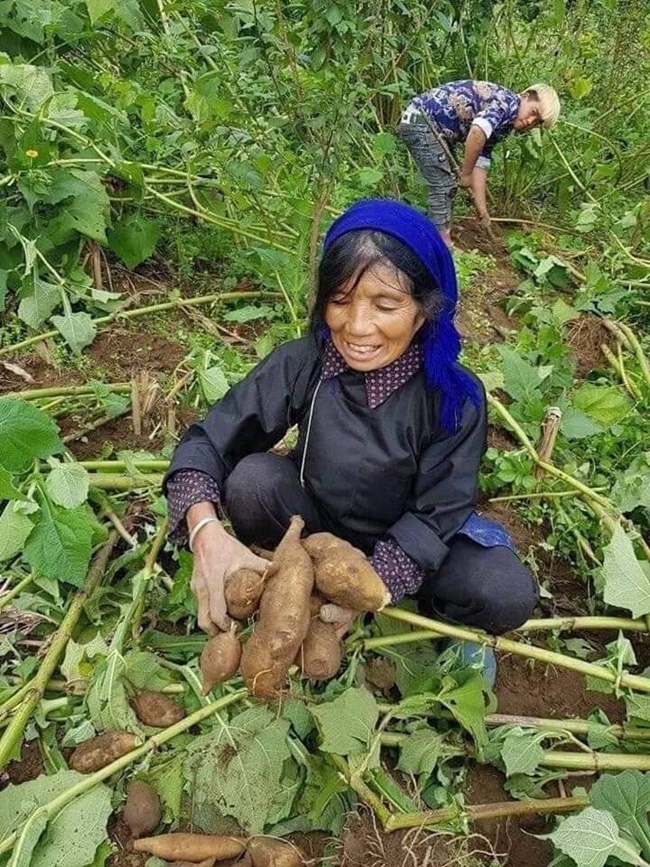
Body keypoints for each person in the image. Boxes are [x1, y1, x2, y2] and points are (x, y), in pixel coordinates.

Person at [164, 199, 538, 682]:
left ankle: (436, 615)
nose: (357, 327)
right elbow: (210, 441)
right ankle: (290, 576)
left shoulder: (455, 397)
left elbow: (439, 510)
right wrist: (204, 533)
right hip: (317, 524)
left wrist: (368, 587)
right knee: (252, 480)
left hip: (415, 538)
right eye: (340, 301)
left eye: (386, 305)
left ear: (425, 309)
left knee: (504, 591)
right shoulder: (304, 362)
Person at [398, 80, 561, 246]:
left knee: (449, 185)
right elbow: (477, 133)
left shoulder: (505, 126)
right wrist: (466, 173)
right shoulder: (506, 104)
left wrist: (482, 210)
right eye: (533, 112)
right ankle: (441, 244)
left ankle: (437, 232)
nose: (530, 121)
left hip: (433, 129)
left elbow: (480, 162)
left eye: (537, 121)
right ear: (525, 97)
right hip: (422, 121)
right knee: (443, 186)